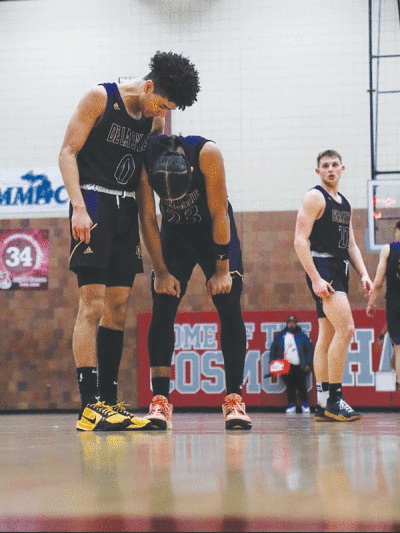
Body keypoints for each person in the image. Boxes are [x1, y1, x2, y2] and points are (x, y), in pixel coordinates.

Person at [58, 52, 201, 431]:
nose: (163, 113)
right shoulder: (100, 98)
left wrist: (160, 266)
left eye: (169, 110)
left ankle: (107, 400)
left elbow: (144, 197)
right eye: (163, 104)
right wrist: (78, 207)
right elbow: (67, 152)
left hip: (124, 210)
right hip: (91, 199)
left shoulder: (150, 123)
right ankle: (89, 406)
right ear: (149, 86)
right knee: (92, 303)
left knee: (118, 305)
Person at [141, 133, 252, 430]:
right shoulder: (146, 155)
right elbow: (149, 219)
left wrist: (221, 269)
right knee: (162, 305)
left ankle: (234, 399)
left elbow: (219, 213)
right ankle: (160, 400)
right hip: (174, 233)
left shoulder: (207, 154)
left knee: (229, 303)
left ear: (189, 173)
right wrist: (161, 272)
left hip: (211, 229)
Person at [294, 150, 374, 422]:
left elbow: (350, 244)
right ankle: (335, 399)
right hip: (323, 268)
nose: (330, 169)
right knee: (347, 328)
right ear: (318, 171)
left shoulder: (345, 204)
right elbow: (299, 240)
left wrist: (363, 274)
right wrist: (315, 277)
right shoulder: (315, 197)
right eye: (325, 166)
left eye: (334, 165)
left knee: (327, 334)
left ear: (342, 168)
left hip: (339, 268)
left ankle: (322, 400)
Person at [367, 221, 400, 387]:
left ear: (396, 231)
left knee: (399, 349)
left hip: (394, 300)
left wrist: (371, 303)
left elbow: (378, 282)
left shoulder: (388, 249)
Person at [269, 314, 313, 415]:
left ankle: (305, 405)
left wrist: (308, 363)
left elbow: (309, 349)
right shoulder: (281, 335)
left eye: (293, 323)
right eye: (289, 323)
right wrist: (273, 365)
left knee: (302, 385)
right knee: (290, 386)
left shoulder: (301, 335)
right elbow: (273, 350)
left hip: (299, 365)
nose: (291, 325)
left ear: (296, 324)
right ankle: (291, 405)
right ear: (287, 324)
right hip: (285, 365)